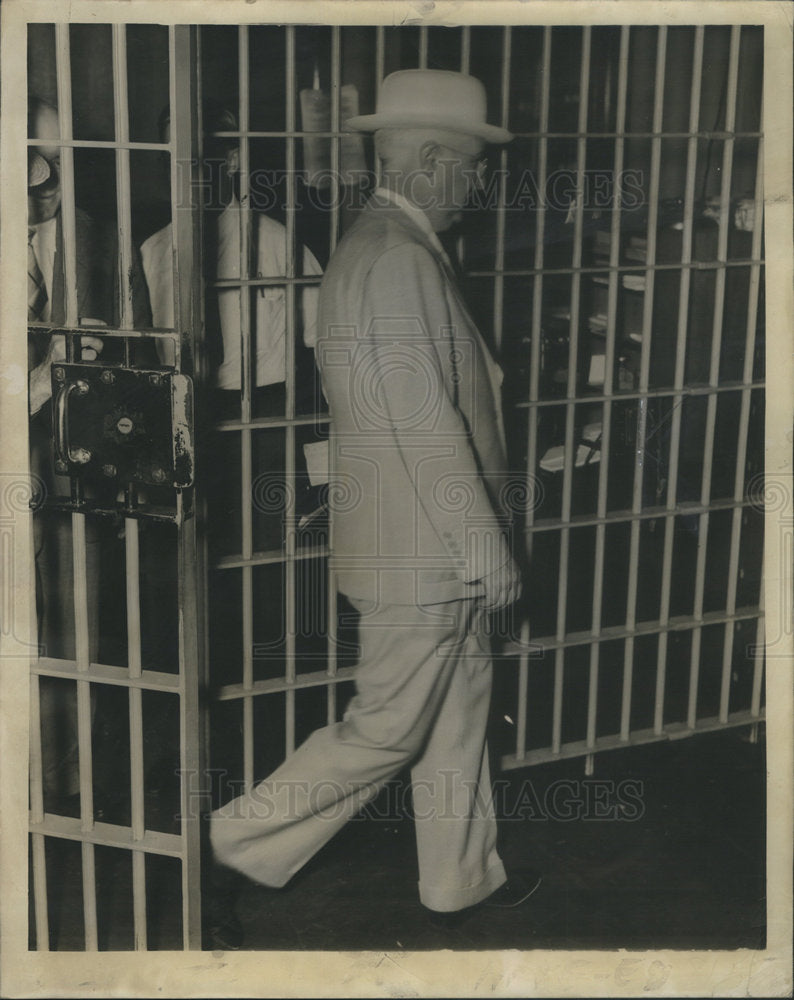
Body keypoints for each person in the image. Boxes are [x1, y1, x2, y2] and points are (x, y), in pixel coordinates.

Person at [207, 70, 538, 949]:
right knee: (389, 729)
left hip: (419, 543)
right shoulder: (396, 255)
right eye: (472, 166)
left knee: (459, 709)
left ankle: (459, 881)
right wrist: (487, 549)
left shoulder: (387, 242)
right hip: (425, 550)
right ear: (432, 160)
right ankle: (228, 845)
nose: (479, 183)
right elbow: (423, 420)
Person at [27, 96, 150, 813]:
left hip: (71, 473)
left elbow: (133, 359)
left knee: (76, 628)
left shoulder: (104, 242)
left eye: (52, 164)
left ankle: (63, 782)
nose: (41, 183)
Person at [140, 103, 323, 554]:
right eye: (170, 154)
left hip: (263, 420)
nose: (182, 167)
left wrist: (320, 459)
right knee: (189, 555)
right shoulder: (152, 252)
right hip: (182, 419)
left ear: (233, 160)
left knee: (265, 554)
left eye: (196, 153)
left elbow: (326, 351)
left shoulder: (282, 245)